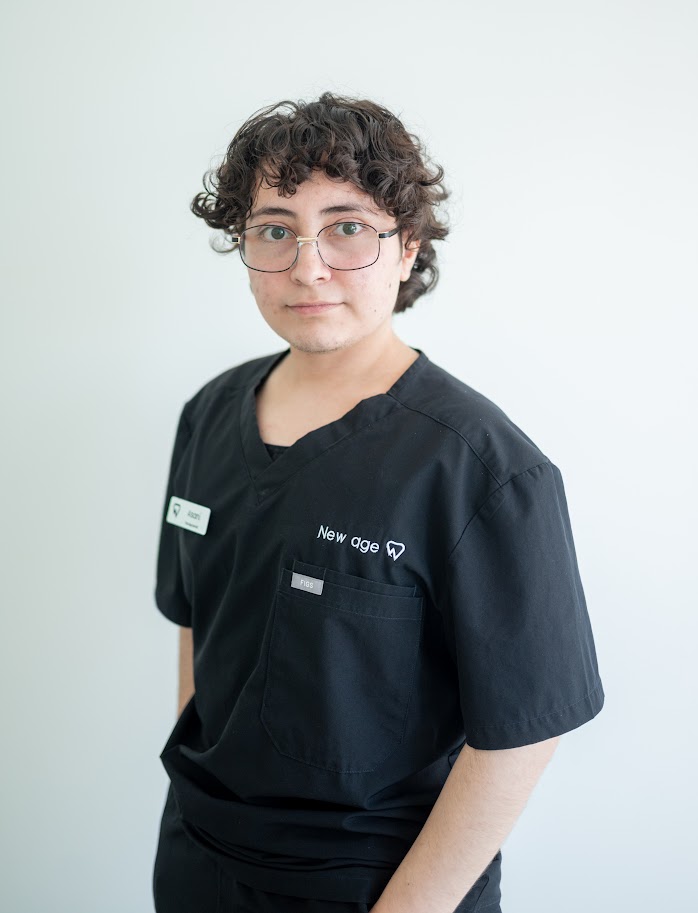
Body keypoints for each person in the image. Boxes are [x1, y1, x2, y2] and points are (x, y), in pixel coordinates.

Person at [152, 92, 605, 913]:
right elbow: (196, 621)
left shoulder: (483, 467)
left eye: (348, 226)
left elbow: (523, 732)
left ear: (409, 249)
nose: (308, 265)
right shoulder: (210, 413)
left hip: (378, 885)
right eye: (276, 227)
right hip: (198, 860)